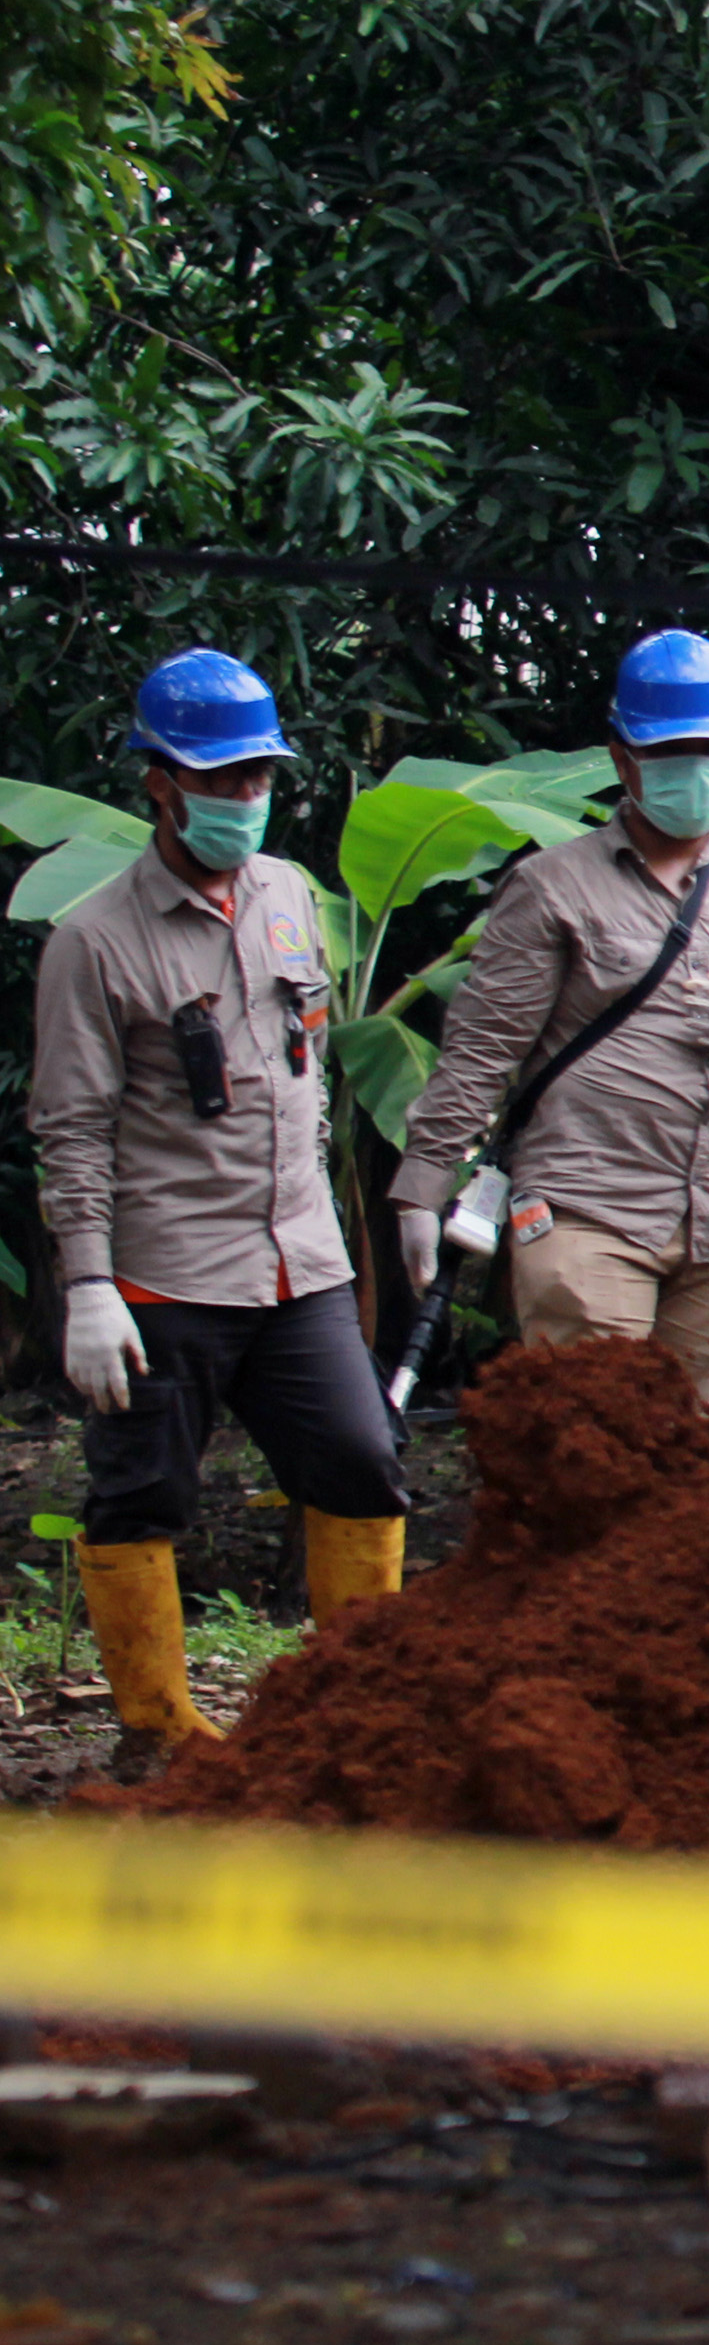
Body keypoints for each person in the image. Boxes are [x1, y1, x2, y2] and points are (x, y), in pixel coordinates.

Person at [28, 651, 410, 1775]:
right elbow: (70, 1123)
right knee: (142, 1492)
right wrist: (89, 1284)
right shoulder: (94, 941)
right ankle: (155, 1735)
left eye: (256, 778)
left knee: (360, 1460)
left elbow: (306, 1060)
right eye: (219, 779)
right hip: (163, 1273)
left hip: (300, 1260)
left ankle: (361, 1716)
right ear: (158, 781)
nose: (242, 799)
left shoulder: (291, 895)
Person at [386, 632, 709, 1403]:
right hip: (588, 1212)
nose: (697, 768)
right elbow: (481, 1049)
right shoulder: (552, 886)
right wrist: (419, 1193)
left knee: (680, 1459)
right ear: (624, 757)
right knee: (598, 1437)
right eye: (673, 751)